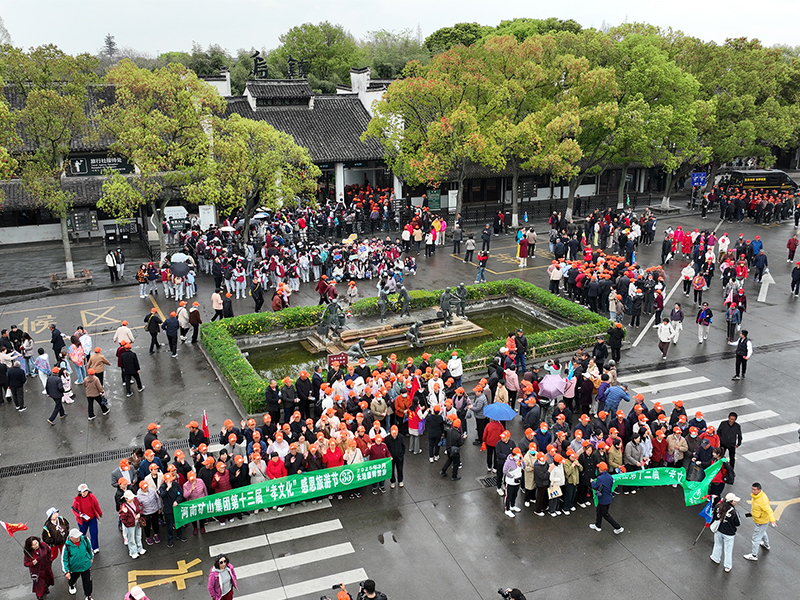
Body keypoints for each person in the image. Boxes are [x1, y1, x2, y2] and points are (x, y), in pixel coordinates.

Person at [743, 482, 777, 561]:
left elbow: (769, 510)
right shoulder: (756, 496)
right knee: (763, 532)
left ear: (759, 490)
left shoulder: (762, 500)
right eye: (752, 489)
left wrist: (772, 520)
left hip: (761, 521)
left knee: (756, 538)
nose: (753, 491)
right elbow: (755, 506)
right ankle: (766, 545)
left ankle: (754, 555)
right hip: (759, 519)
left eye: (754, 490)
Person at [710, 491, 742, 572]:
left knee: (717, 544)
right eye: (735, 501)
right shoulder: (733, 512)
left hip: (719, 530)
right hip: (729, 533)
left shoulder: (718, 506)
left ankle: (715, 557)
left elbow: (714, 517)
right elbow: (738, 523)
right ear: (730, 501)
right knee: (728, 550)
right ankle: (727, 565)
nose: (736, 502)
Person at [589, 462, 624, 534]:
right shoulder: (609, 477)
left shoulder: (600, 478)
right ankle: (597, 525)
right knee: (599, 511)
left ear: (600, 469)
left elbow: (595, 487)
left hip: (603, 500)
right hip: (608, 498)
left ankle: (618, 527)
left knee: (605, 515)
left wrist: (592, 482)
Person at [61, 529, 94, 599]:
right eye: (76, 537)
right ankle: (71, 585)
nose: (78, 538)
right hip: (74, 568)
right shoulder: (66, 547)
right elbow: (64, 559)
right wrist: (66, 571)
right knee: (72, 579)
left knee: (87, 582)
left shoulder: (85, 539)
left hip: (86, 566)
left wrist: (91, 557)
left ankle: (88, 596)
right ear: (70, 538)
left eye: (79, 536)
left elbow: (89, 548)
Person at [71, 484, 102, 553]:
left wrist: (100, 513)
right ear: (80, 492)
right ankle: (82, 547)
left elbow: (96, 505)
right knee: (82, 534)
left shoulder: (92, 497)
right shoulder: (76, 500)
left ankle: (95, 547)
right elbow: (74, 509)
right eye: (83, 491)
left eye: (86, 491)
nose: (85, 493)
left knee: (94, 533)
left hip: (92, 518)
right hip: (82, 520)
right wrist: (79, 515)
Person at [23, 536, 55, 600]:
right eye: (34, 545)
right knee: (39, 586)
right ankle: (40, 597)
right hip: (37, 572)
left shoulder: (43, 545)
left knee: (47, 581)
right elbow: (26, 564)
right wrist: (32, 563)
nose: (36, 545)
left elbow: (49, 551)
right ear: (30, 546)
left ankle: (45, 590)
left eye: (36, 543)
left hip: (46, 569)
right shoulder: (28, 553)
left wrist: (50, 560)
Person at [119, 489, 146, 559]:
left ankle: (140, 549)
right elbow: (123, 519)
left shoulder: (135, 500)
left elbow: (140, 507)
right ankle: (133, 552)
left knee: (138, 536)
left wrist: (139, 514)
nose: (133, 499)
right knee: (131, 539)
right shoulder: (123, 507)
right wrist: (124, 513)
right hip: (130, 525)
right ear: (126, 499)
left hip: (137, 522)